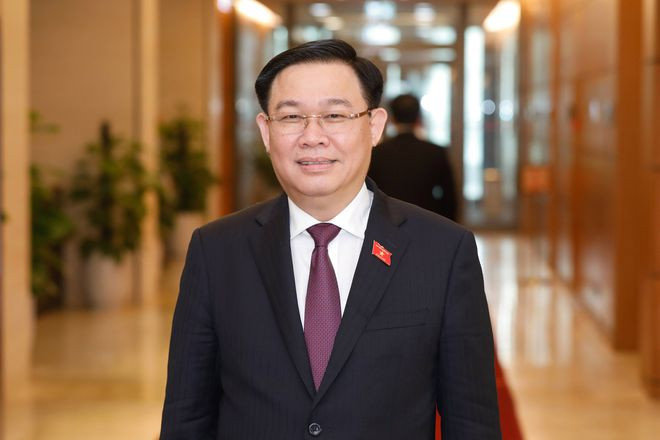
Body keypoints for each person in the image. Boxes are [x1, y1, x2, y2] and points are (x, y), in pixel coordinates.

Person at [160, 39, 500, 439]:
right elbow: (187, 417)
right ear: (266, 131)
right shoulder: (217, 251)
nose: (312, 136)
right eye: (291, 117)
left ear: (374, 126)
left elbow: (472, 422)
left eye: (335, 115)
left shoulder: (443, 251)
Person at [369, 94, 458, 221]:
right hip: (426, 221)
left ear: (392, 118)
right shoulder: (435, 152)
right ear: (418, 118)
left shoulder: (377, 152)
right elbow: (449, 198)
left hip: (385, 221)